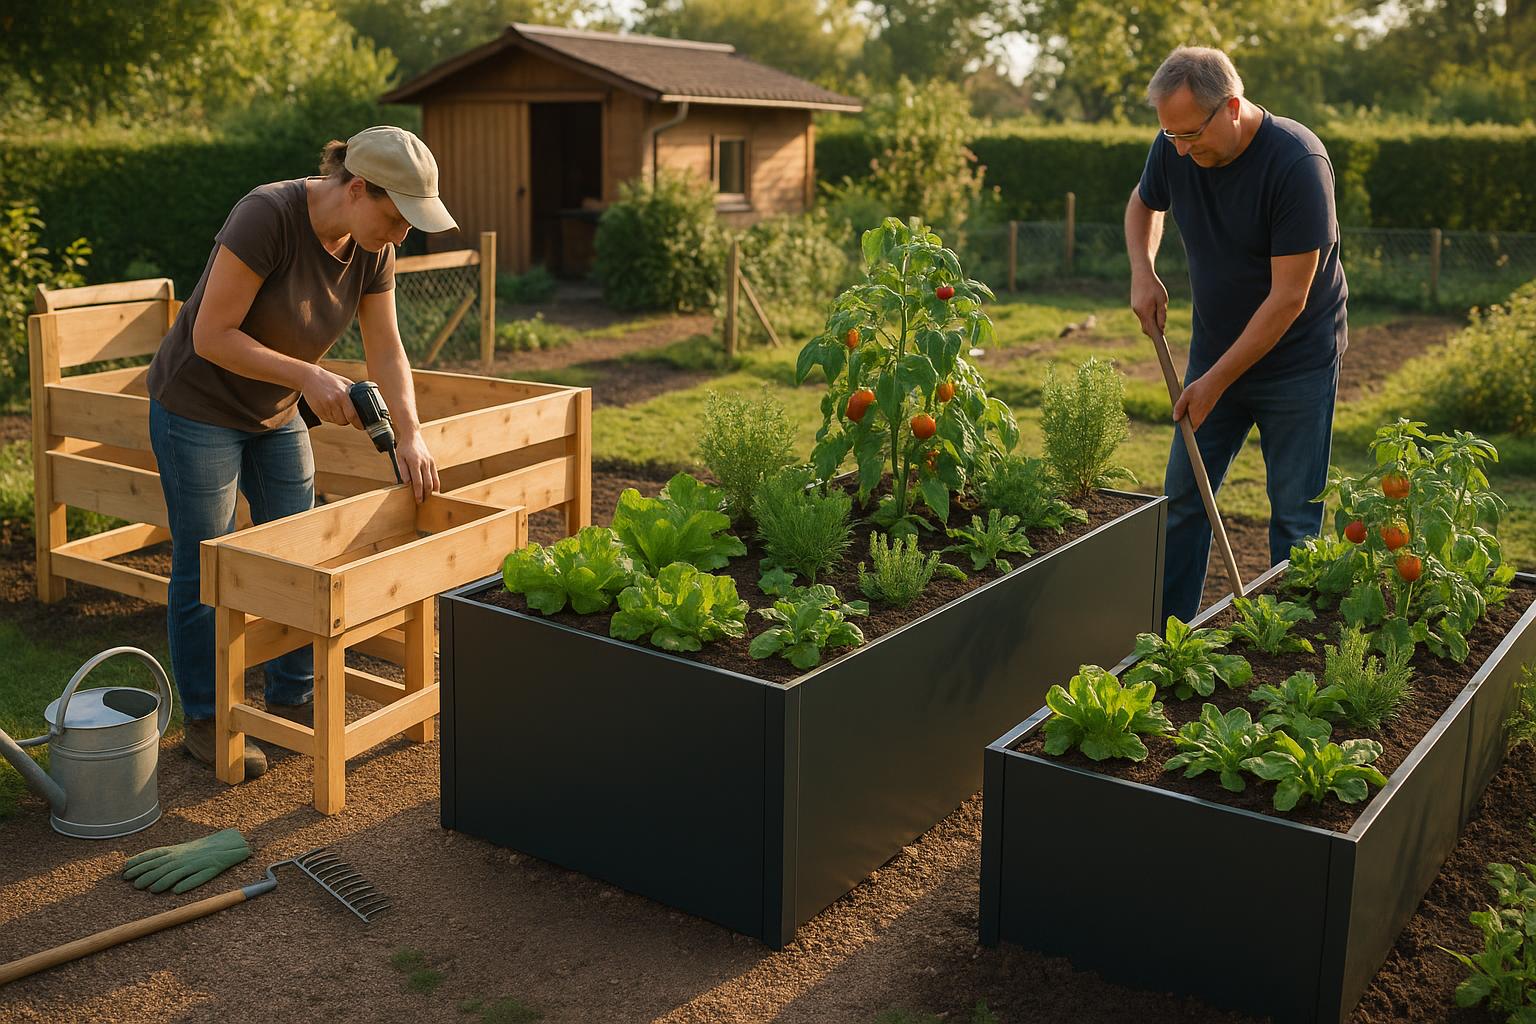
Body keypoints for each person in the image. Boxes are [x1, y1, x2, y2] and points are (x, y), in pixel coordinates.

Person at [146, 126, 457, 778]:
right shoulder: (267, 215)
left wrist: (411, 432)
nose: (401, 235)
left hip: (275, 410)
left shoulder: (372, 248)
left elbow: (386, 347)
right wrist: (310, 376)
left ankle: (290, 698)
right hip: (197, 407)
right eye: (396, 217)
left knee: (303, 549)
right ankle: (207, 719)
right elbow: (211, 334)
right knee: (206, 561)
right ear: (357, 188)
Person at [1125, 46, 1348, 623]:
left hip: (1296, 364)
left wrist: (1215, 381)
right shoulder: (1175, 144)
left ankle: (1286, 650)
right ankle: (1169, 641)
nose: (1179, 149)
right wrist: (1143, 272)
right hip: (1214, 352)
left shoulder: (1297, 163)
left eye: (1190, 135)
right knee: (1182, 504)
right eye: (1170, 135)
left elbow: (1289, 298)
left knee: (1295, 522)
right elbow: (1144, 204)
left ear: (1230, 107)